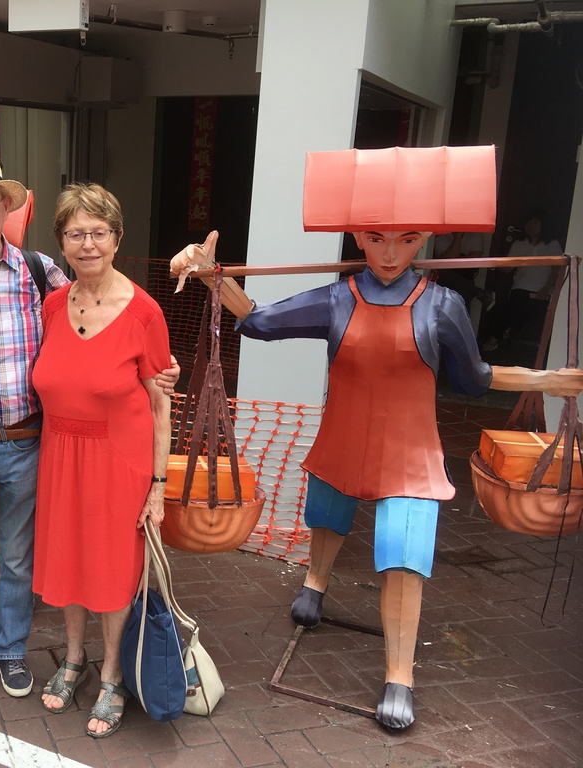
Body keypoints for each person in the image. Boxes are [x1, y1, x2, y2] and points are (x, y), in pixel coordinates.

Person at [171, 228, 583, 731]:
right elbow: (260, 320)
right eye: (376, 238)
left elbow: (474, 377)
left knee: (405, 555)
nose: (390, 253)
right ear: (359, 239)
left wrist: (544, 380)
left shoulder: (442, 305)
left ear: (423, 239)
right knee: (326, 514)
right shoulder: (336, 298)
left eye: (406, 240)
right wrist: (212, 275)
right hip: (342, 438)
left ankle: (399, 676)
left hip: (411, 453)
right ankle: (315, 582)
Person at [0, 148, 177, 700]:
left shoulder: (38, 273)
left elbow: (117, 350)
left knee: (19, 560)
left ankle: (11, 653)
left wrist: (157, 377)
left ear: (6, 208)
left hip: (28, 444)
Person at [32, 183, 171, 738]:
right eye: (75, 233)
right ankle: (74, 658)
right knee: (68, 562)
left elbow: (160, 406)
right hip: (60, 457)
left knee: (112, 572)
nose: (87, 243)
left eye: (98, 232)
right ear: (61, 242)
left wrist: (158, 485)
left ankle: (112, 673)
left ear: (117, 238)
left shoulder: (144, 312)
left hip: (119, 462)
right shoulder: (51, 306)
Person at [481, 211, 563, 352]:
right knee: (511, 310)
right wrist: (492, 263)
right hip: (521, 287)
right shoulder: (519, 244)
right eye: (528, 223)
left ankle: (531, 344)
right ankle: (494, 339)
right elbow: (508, 268)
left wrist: (546, 289)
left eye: (535, 222)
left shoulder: (552, 244)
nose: (530, 226)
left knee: (537, 317)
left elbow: (557, 270)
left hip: (544, 290)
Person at [432, 231, 494, 312]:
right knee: (443, 272)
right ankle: (479, 292)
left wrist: (457, 260)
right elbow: (449, 260)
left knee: (463, 290)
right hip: (446, 278)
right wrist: (457, 238)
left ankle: (479, 293)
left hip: (466, 274)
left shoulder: (474, 234)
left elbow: (473, 261)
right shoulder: (442, 237)